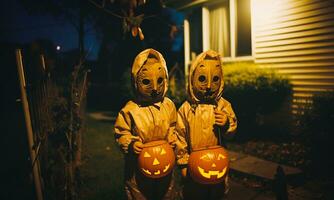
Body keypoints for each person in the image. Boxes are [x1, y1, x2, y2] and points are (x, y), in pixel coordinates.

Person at [114, 48, 178, 200]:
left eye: (160, 80)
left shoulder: (168, 105)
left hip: (165, 164)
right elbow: (121, 133)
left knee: (166, 194)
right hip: (138, 169)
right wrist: (130, 144)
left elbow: (173, 125)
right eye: (146, 82)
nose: (155, 88)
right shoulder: (130, 110)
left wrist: (171, 136)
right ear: (136, 81)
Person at [175, 50, 237, 200]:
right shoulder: (186, 109)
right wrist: (183, 163)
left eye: (215, 79)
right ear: (192, 79)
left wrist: (227, 124)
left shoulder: (223, 106)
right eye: (202, 78)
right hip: (194, 164)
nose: (209, 86)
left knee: (218, 194)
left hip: (218, 162)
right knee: (194, 195)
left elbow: (232, 131)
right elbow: (179, 137)